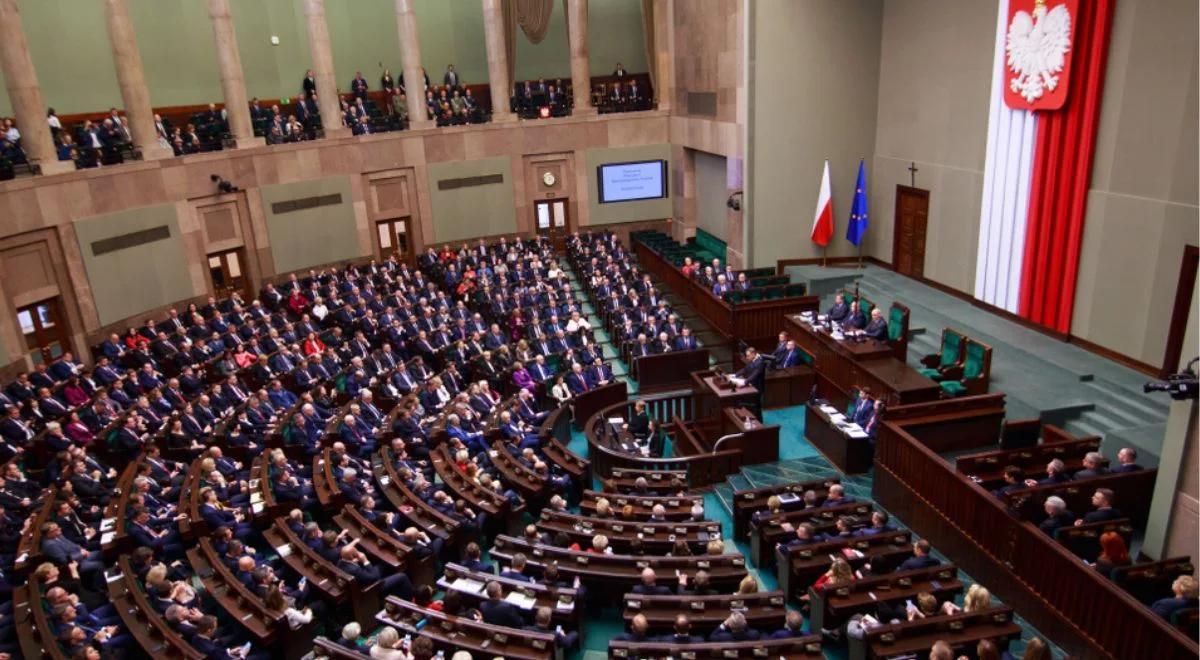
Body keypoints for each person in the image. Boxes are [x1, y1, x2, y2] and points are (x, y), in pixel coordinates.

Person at [733, 347, 767, 417]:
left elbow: (755, 374)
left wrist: (745, 382)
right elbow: (745, 369)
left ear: (753, 354)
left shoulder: (760, 362)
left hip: (757, 387)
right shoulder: (752, 359)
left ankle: (759, 422)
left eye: (748, 356)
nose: (747, 357)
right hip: (752, 385)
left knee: (756, 405)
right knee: (753, 404)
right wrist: (735, 375)